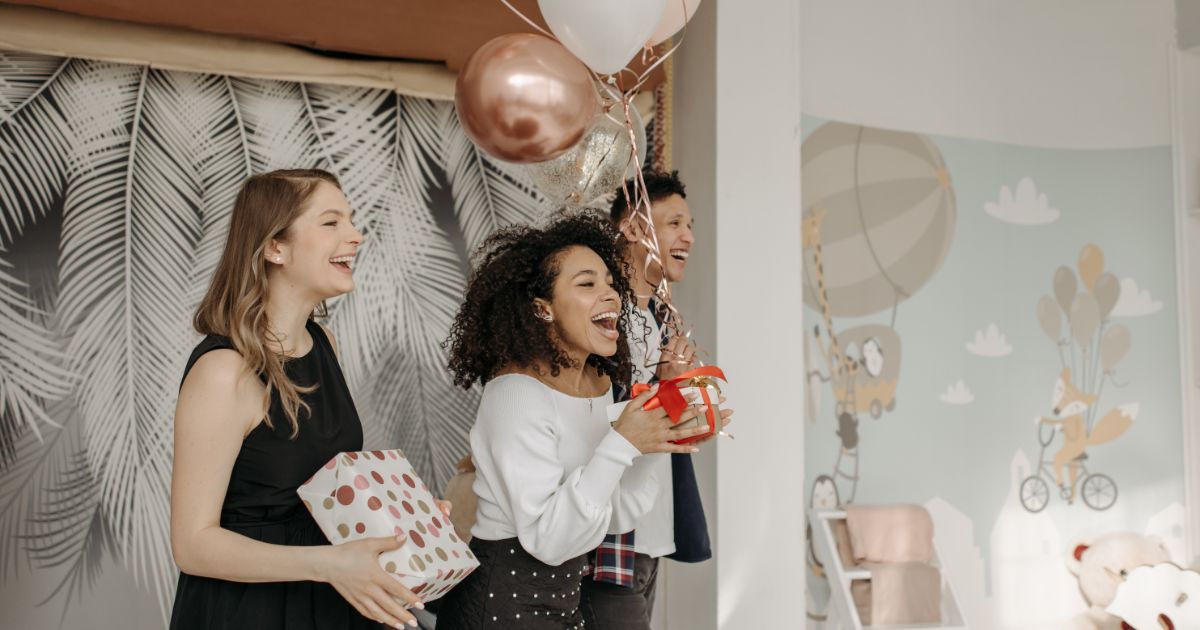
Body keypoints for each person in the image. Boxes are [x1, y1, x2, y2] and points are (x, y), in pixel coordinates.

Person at [169, 169, 423, 630]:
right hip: (250, 613)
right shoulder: (223, 372)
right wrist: (327, 565)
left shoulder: (324, 344)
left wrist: (407, 517)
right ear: (275, 248)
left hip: (329, 599)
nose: (355, 235)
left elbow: (323, 493)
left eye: (351, 220)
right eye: (331, 223)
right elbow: (192, 545)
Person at [436, 213, 717, 629]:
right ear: (543, 308)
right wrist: (623, 441)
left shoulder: (597, 383)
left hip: (562, 608)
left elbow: (617, 514)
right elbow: (549, 540)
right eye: (587, 284)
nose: (610, 294)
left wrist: (662, 430)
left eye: (610, 283)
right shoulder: (515, 394)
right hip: (498, 612)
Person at [580, 170, 713, 629]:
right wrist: (667, 389)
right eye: (674, 223)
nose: (688, 236)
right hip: (607, 537)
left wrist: (690, 412)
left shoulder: (663, 318)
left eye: (690, 225)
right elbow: (586, 422)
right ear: (634, 228)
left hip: (652, 533)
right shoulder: (599, 318)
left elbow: (666, 426)